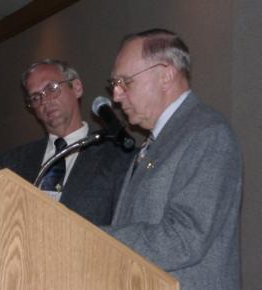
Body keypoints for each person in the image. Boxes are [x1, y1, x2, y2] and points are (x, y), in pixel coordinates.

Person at [104, 29, 242, 290]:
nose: (116, 96)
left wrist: (97, 239)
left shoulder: (207, 133)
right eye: (114, 85)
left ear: (166, 74)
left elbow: (184, 238)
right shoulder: (155, 143)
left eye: (125, 82)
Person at [0, 59, 136, 226]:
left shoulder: (118, 158)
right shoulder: (12, 164)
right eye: (35, 97)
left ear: (76, 88)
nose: (44, 101)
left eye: (51, 89)